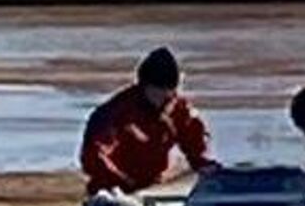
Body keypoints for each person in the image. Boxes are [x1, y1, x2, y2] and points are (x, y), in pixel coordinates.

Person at [79, 47, 216, 195]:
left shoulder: (178, 109)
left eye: (170, 91)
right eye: (158, 91)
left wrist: (205, 165)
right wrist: (123, 182)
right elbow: (93, 155)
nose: (164, 97)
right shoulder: (116, 112)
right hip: (113, 191)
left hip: (155, 189)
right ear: (144, 86)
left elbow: (197, 146)